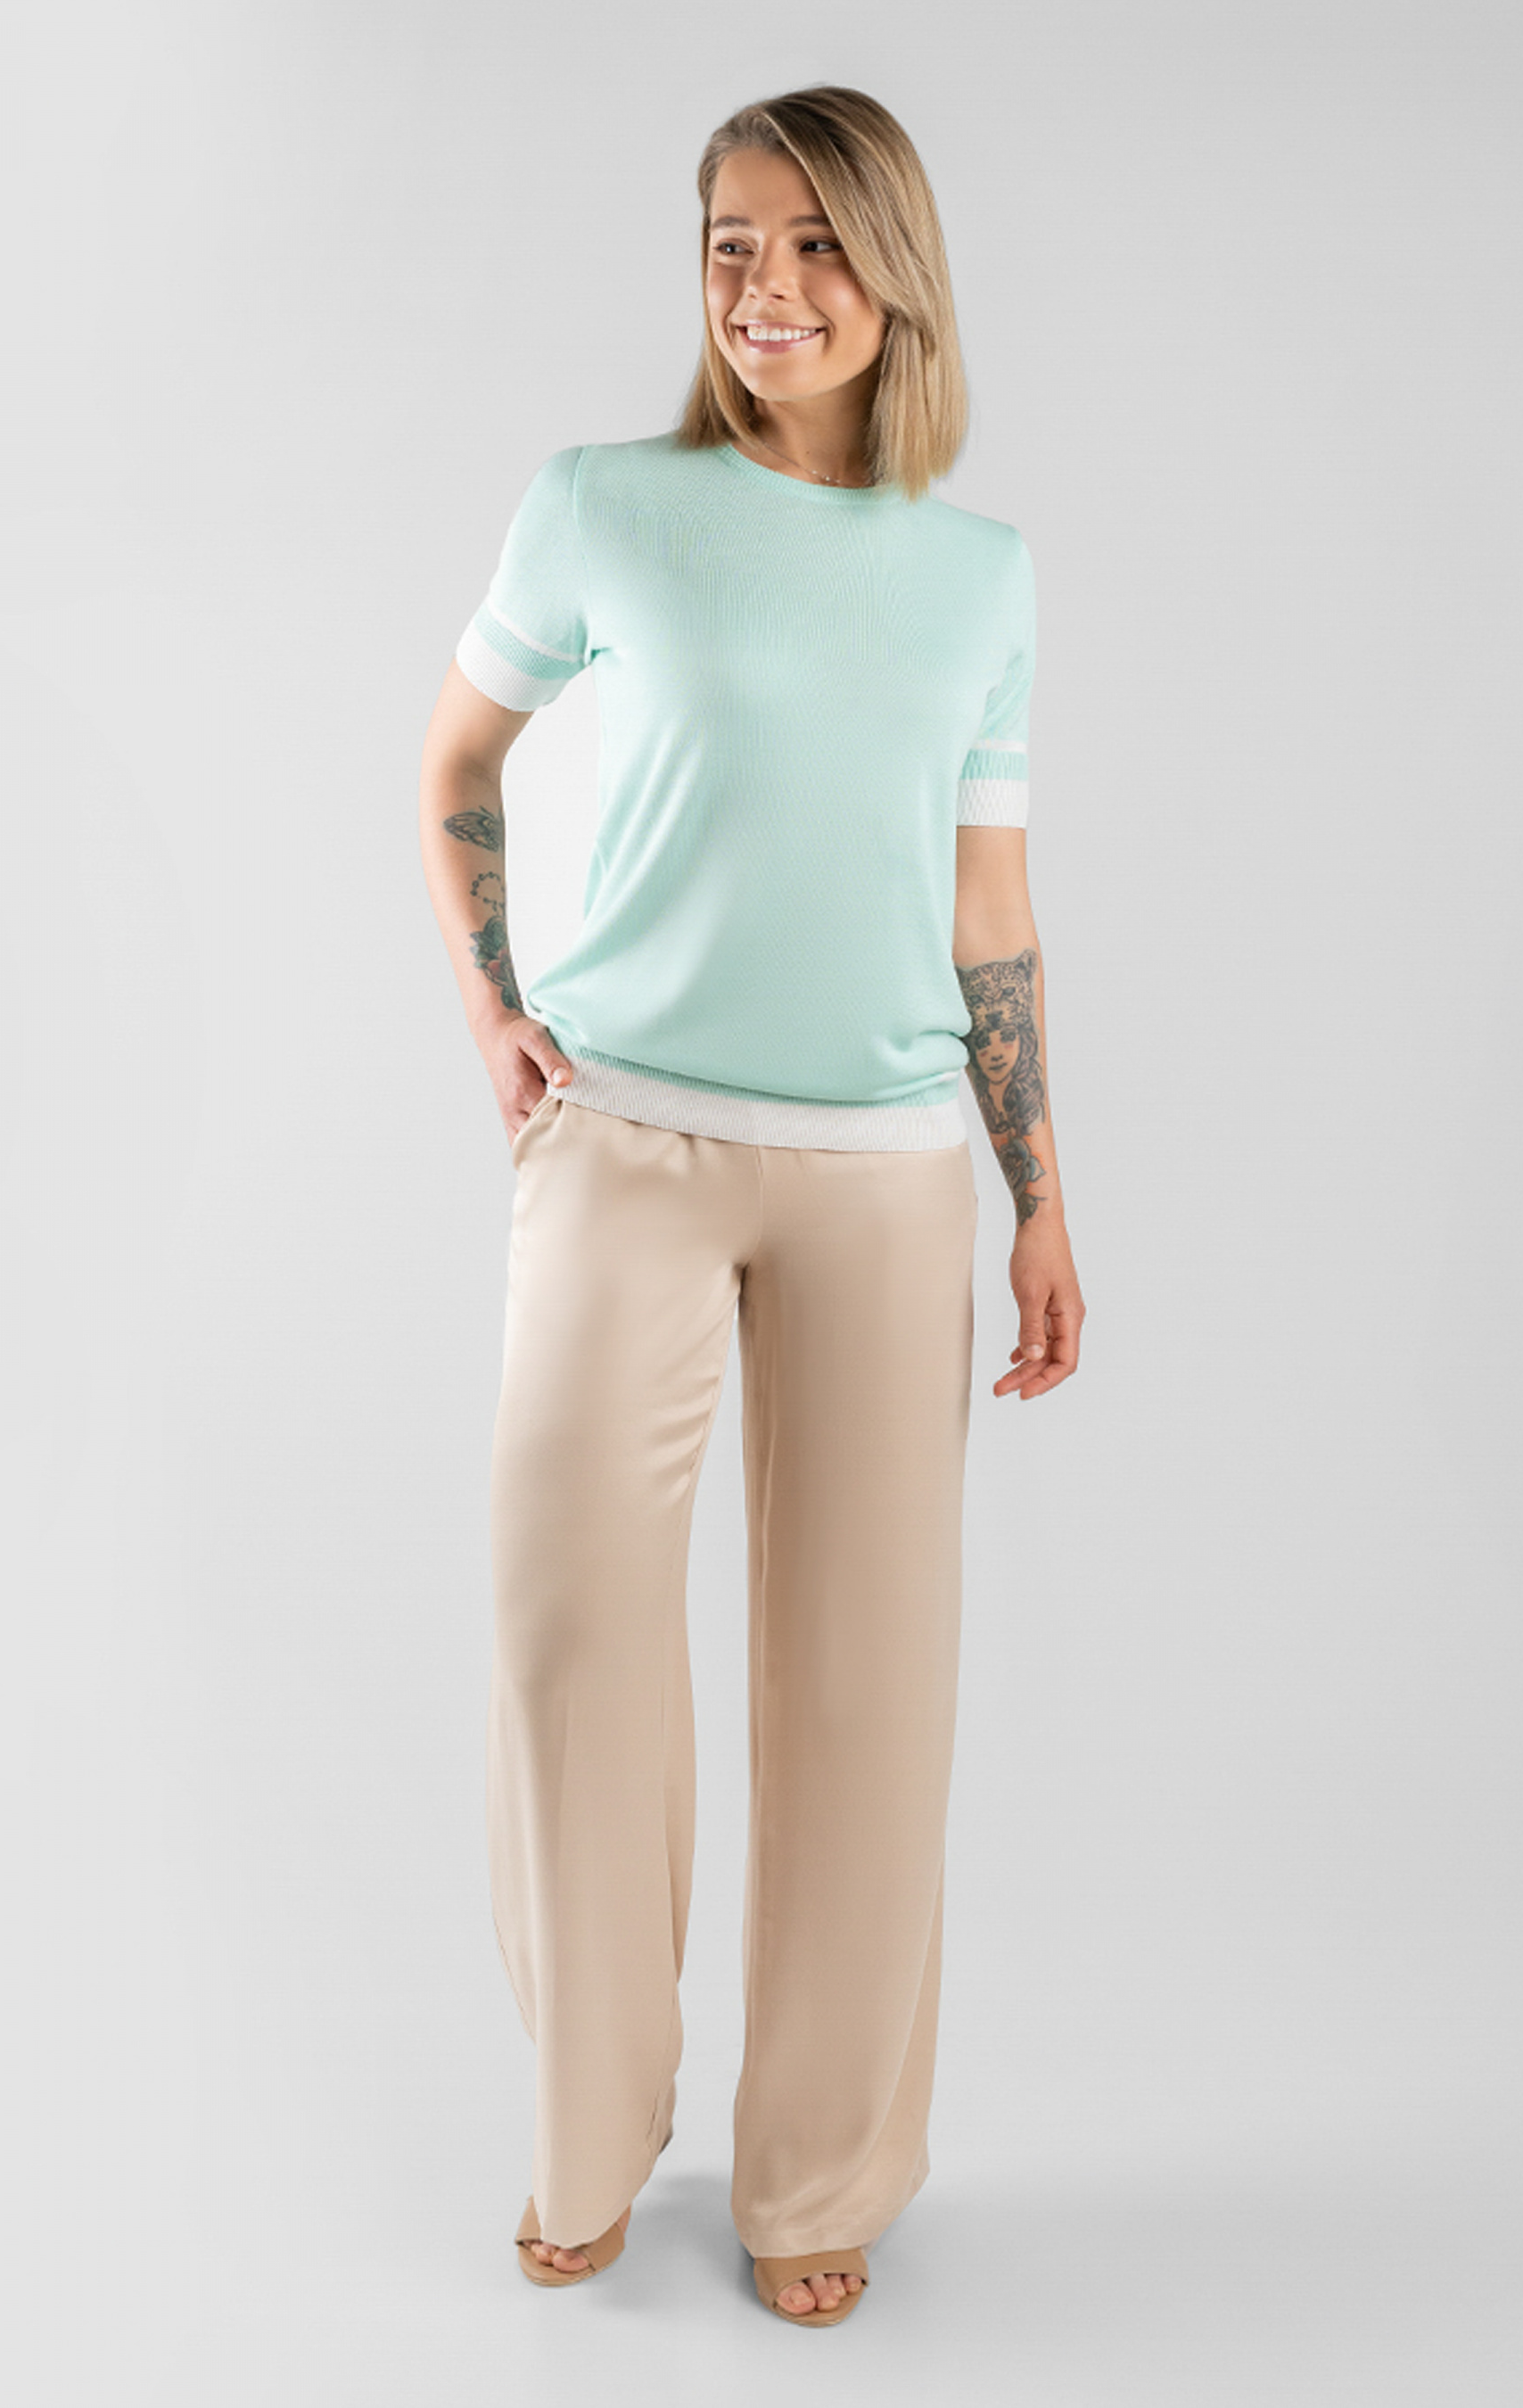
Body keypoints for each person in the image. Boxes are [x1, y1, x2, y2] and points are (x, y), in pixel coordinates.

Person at [417, 84, 1084, 2330]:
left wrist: (1039, 1203)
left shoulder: (978, 576)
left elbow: (987, 916)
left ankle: (818, 2176)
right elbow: (455, 768)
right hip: (617, 1143)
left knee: (863, 1692)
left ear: (893, 266)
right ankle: (587, 2127)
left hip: (887, 1175)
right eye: (727, 241)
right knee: (568, 1634)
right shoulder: (599, 506)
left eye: (810, 242)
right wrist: (494, 1012)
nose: (764, 285)